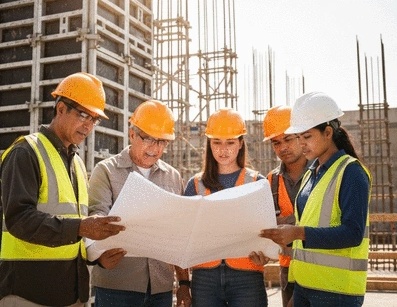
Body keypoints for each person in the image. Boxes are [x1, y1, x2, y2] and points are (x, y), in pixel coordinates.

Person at [0, 72, 125, 307]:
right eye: (83, 115)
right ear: (60, 109)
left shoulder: (76, 162)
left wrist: (96, 258)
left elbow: (71, 231)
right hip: (28, 294)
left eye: (94, 119)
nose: (88, 125)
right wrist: (81, 226)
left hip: (70, 295)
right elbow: (19, 220)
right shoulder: (25, 152)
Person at [259, 91, 372, 307]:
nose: (301, 144)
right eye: (299, 137)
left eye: (307, 136)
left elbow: (353, 234)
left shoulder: (351, 172)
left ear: (328, 132)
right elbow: (309, 229)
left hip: (336, 291)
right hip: (305, 286)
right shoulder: (313, 173)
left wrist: (298, 232)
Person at [86, 99, 192, 307]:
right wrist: (99, 257)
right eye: (149, 139)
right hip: (116, 287)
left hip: (160, 289)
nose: (155, 148)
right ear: (132, 134)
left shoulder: (172, 177)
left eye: (162, 141)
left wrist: (184, 282)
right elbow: (96, 220)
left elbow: (178, 234)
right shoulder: (106, 171)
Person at [184, 107, 268, 307]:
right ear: (209, 145)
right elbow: (184, 234)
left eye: (230, 142)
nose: (223, 149)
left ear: (240, 143)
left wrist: (266, 254)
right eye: (217, 142)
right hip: (205, 278)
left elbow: (267, 232)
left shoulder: (257, 182)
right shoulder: (194, 185)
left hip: (246, 275)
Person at [261, 105, 311, 307]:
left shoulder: (321, 172)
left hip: (318, 268)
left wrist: (287, 224)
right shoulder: (271, 180)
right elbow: (267, 225)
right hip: (287, 270)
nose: (282, 147)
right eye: (276, 142)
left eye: (288, 139)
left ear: (301, 136)